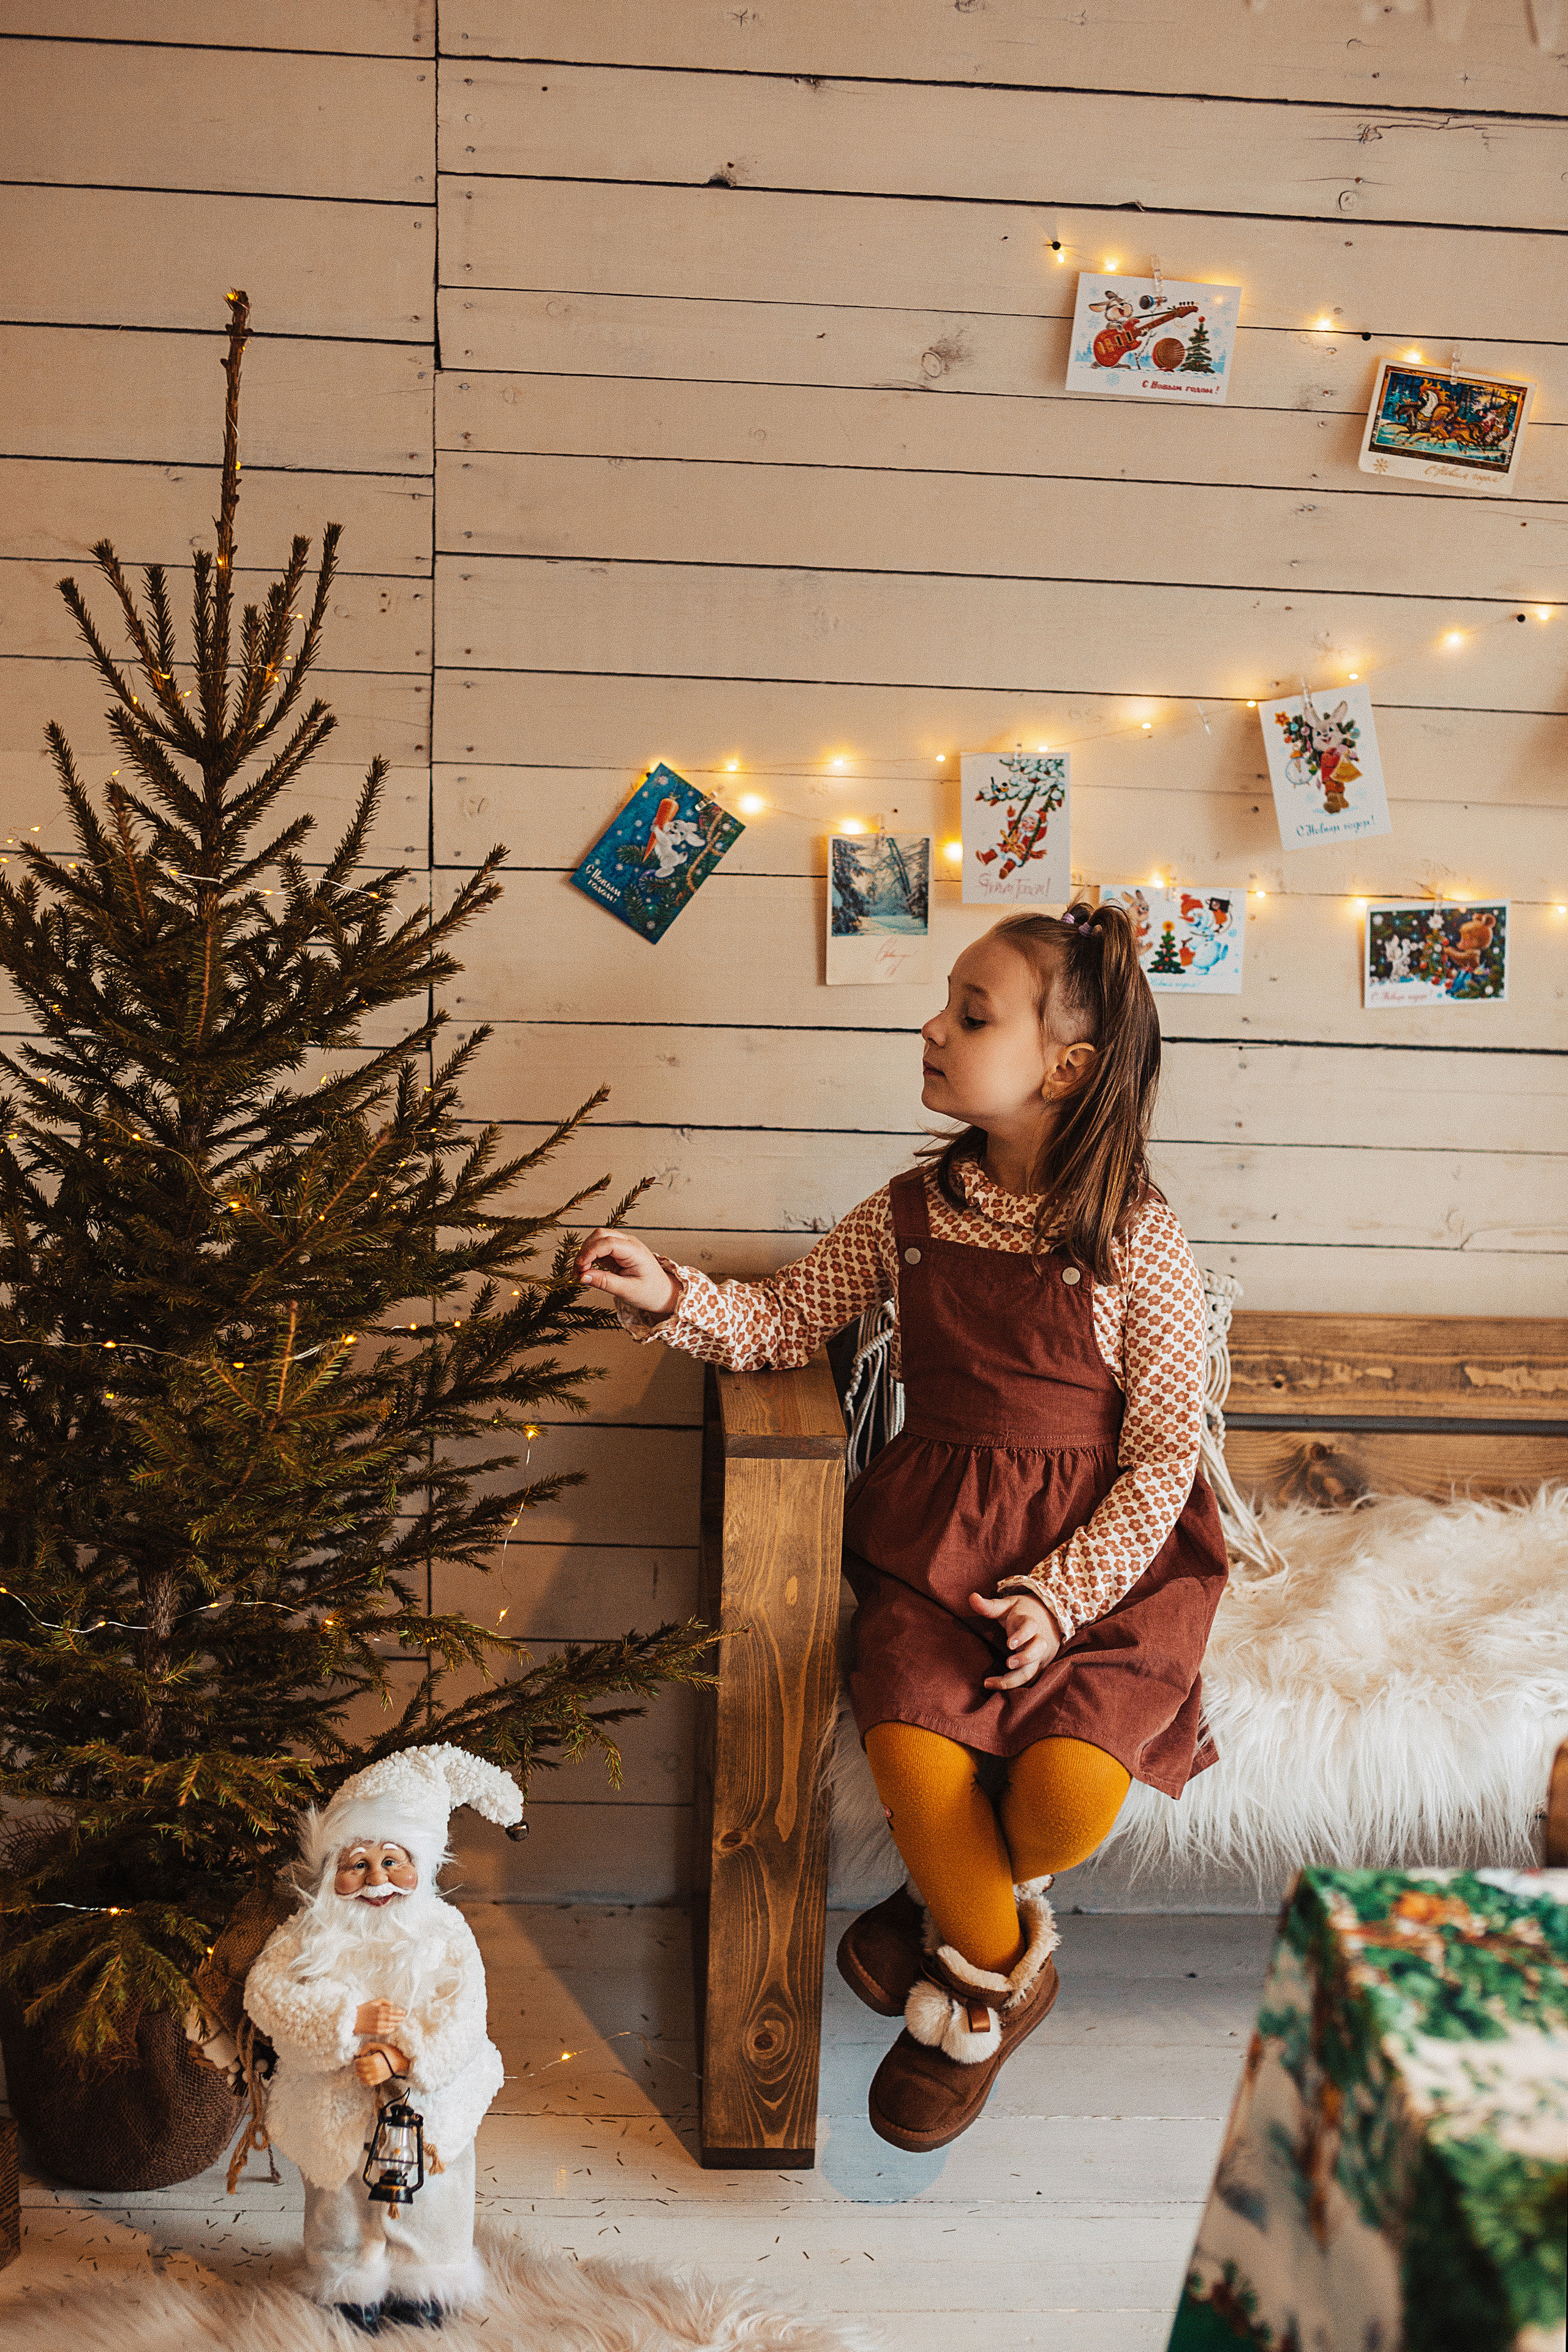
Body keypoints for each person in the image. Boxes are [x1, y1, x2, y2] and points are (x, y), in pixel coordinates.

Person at [576, 901, 1227, 2153]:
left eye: (970, 1014)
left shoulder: (1137, 1238)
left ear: (1064, 1066)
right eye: (944, 1003)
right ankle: (989, 1983)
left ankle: (939, 1911)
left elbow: (1160, 1461)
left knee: (1060, 1805)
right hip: (936, 1555)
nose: (931, 1027)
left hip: (1103, 1568)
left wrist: (1058, 1595)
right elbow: (777, 1325)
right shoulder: (906, 1212)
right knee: (916, 1749)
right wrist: (669, 1297)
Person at [244, 1744, 524, 2329]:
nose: (377, 1881)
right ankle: (348, 2288)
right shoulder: (307, 1932)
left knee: (428, 2198)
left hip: (423, 2103)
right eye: (358, 1864)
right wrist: (347, 2021)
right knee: (339, 2200)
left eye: (393, 1862)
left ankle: (424, 2286)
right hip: (333, 2098)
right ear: (332, 1871)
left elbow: (465, 2014)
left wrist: (404, 2054)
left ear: (420, 1866)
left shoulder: (444, 1932)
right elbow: (265, 1993)